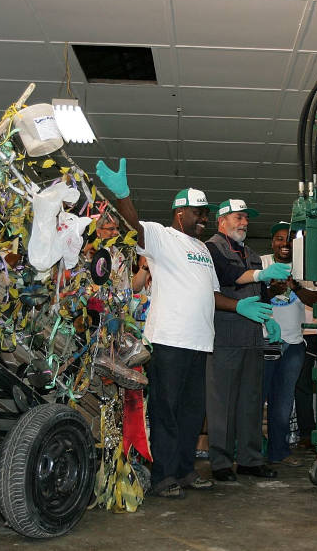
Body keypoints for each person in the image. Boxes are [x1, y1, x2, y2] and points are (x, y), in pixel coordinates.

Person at [94, 158, 276, 499]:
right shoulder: (164, 238)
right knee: (167, 411)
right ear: (181, 214)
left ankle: (185, 469)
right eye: (199, 213)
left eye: (206, 214)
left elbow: (212, 295)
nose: (204, 219)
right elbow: (133, 225)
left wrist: (241, 307)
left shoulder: (203, 251)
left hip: (201, 343)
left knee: (193, 413)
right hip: (169, 340)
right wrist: (123, 194)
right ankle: (163, 475)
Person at [205, 199, 291, 482]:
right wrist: (261, 273)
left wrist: (270, 319)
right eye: (238, 217)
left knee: (251, 401)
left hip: (253, 335)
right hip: (225, 334)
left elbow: (260, 290)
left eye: (246, 218)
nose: (244, 222)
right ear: (222, 221)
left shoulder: (251, 253)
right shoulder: (212, 248)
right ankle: (220, 462)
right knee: (223, 403)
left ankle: (250, 460)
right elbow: (228, 277)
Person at [262, 222, 317, 464]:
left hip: (295, 344)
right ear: (272, 242)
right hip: (267, 341)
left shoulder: (304, 265)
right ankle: (251, 452)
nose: (284, 244)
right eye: (278, 239)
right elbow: (250, 296)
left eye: (288, 239)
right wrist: (270, 289)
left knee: (284, 402)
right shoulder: (262, 263)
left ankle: (279, 452)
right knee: (258, 399)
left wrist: (294, 286)